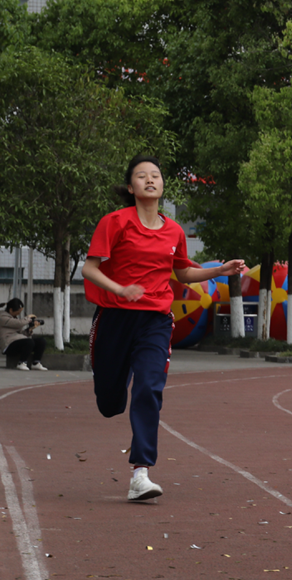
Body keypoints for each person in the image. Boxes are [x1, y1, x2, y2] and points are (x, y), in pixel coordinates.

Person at [81, 154, 245, 502]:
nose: (150, 180)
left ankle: (141, 472)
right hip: (114, 317)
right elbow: (89, 269)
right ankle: (111, 383)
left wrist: (219, 270)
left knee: (148, 388)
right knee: (110, 403)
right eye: (141, 176)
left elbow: (183, 272)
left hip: (155, 319)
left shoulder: (174, 231)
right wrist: (119, 289)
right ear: (131, 187)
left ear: (162, 185)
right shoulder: (115, 222)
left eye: (155, 175)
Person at [0, 298, 47, 371]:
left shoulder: (14, 318)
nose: (19, 314)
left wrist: (30, 329)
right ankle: (21, 363)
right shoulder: (2, 317)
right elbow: (18, 323)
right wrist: (28, 319)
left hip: (19, 342)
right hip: (8, 345)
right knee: (28, 342)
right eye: (18, 312)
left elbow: (22, 333)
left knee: (41, 341)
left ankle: (36, 363)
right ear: (11, 310)